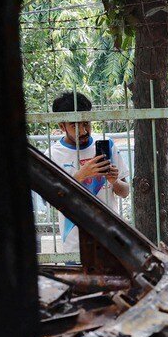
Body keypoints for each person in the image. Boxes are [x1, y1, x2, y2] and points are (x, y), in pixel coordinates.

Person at [48, 91, 130, 252]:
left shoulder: (108, 146)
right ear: (61, 126)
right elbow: (52, 198)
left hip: (110, 239)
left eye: (86, 123)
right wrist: (80, 175)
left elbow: (125, 192)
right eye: (75, 126)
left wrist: (114, 181)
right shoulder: (53, 155)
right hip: (75, 244)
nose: (84, 131)